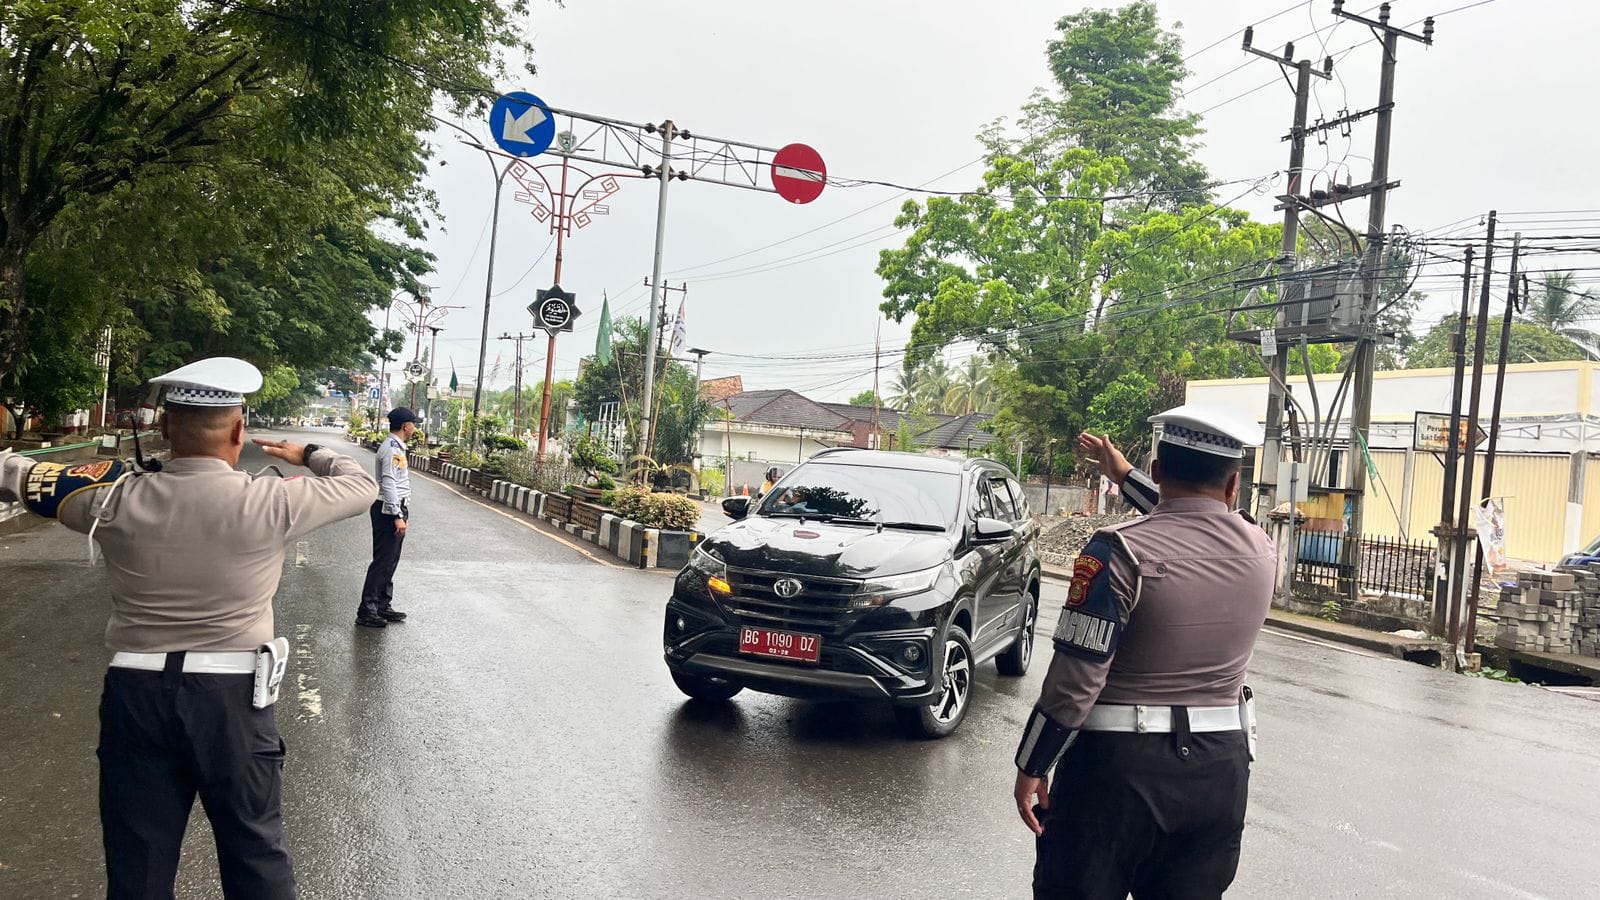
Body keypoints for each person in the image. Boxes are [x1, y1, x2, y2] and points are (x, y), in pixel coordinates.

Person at [0, 357, 377, 899]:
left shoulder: (114, 498)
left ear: (163, 428)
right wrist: (307, 452)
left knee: (139, 868)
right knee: (255, 857)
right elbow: (361, 484)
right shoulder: (272, 500)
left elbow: (20, 476)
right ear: (239, 429)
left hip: (136, 695)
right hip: (233, 702)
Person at [1013, 404, 1276, 899]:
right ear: (1235, 484)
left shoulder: (1117, 552)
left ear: (1158, 469)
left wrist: (1032, 763)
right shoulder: (1263, 548)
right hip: (1220, 773)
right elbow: (1196, 517)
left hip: (1115, 776)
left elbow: (1075, 683)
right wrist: (1124, 474)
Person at [358, 407, 418, 628]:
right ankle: (367, 610)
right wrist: (396, 515)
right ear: (406, 426)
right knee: (383, 560)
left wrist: (401, 512)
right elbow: (389, 483)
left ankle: (383, 604)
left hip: (394, 508)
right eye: (413, 424)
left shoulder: (396, 447)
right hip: (387, 509)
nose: (415, 428)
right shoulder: (391, 449)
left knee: (390, 560)